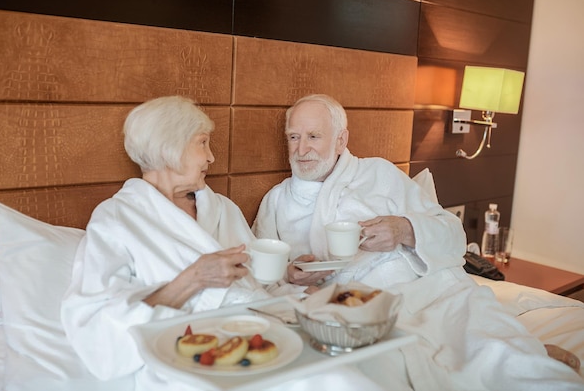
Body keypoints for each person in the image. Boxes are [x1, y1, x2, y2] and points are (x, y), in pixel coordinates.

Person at [253, 94, 584, 391]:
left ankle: (519, 355)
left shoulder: (379, 174)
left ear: (341, 140)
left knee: (498, 351)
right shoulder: (277, 202)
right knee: (384, 368)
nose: (301, 149)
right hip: (359, 310)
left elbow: (454, 236)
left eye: (313, 137)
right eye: (293, 137)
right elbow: (259, 279)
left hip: (433, 291)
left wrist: (405, 229)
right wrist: (292, 277)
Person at [60, 96, 272, 388]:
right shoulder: (117, 220)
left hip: (264, 337)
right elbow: (99, 328)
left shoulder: (221, 208)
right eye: (202, 143)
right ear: (168, 148)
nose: (211, 157)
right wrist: (193, 280)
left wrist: (292, 275)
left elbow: (262, 280)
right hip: (187, 358)